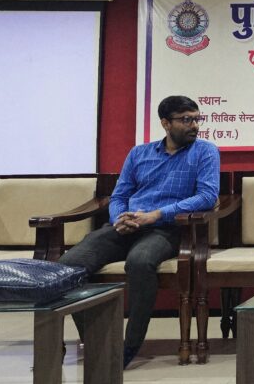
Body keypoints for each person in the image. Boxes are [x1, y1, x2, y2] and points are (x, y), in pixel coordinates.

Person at [60, 95, 219, 368]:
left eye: (196, 119)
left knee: (140, 261)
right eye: (186, 120)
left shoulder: (205, 152)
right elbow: (119, 195)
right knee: (68, 266)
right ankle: (99, 342)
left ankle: (128, 347)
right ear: (166, 123)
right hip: (127, 226)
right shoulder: (139, 154)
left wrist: (156, 215)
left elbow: (207, 196)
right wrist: (119, 219)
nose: (194, 125)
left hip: (167, 229)